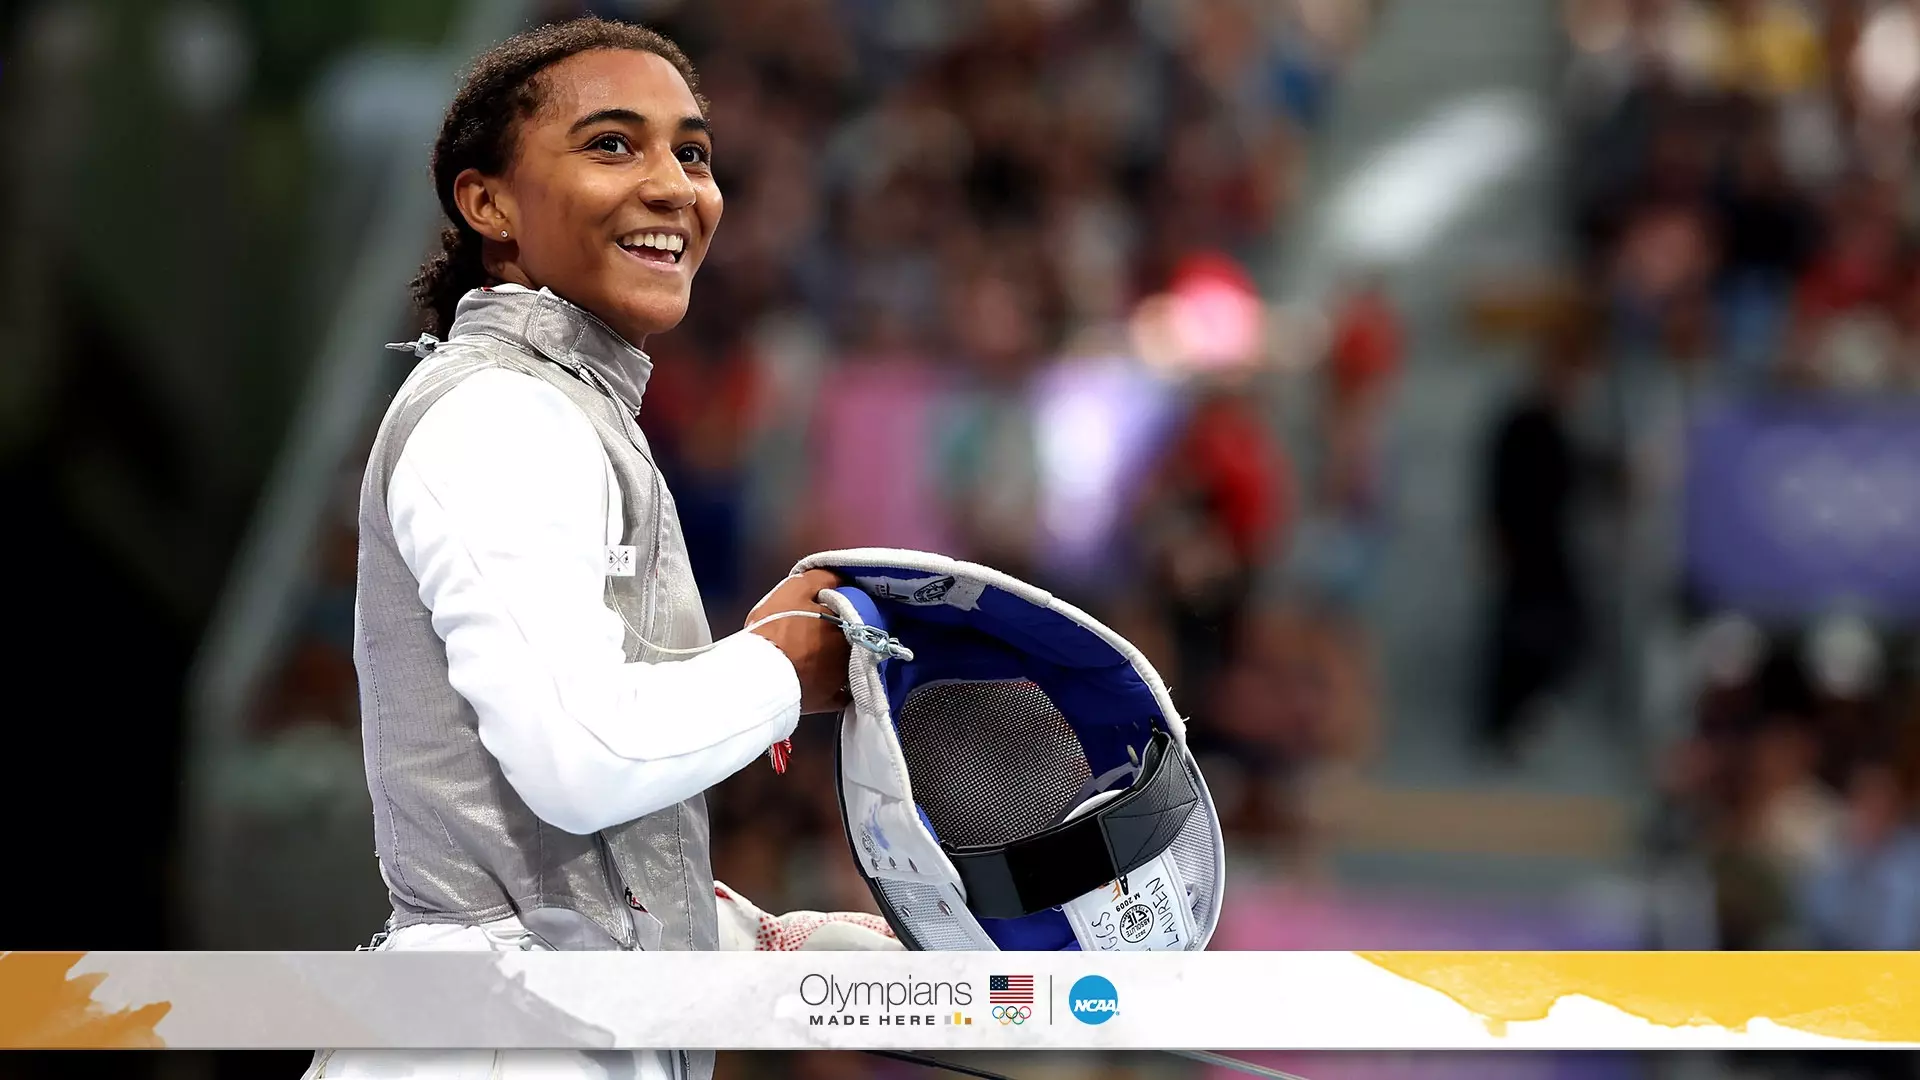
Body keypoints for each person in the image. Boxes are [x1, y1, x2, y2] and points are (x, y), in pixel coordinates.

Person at [305, 18, 878, 1080]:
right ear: (490, 205)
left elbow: (543, 834)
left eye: (693, 152)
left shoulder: (564, 412)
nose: (674, 187)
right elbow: (582, 754)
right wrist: (781, 668)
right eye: (613, 143)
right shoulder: (501, 415)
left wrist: (747, 944)